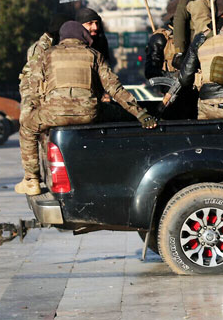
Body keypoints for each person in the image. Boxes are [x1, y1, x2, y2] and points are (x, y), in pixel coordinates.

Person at [22, 22, 156, 193]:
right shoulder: (93, 54)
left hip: (53, 114)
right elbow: (115, 88)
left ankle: (31, 180)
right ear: (83, 36)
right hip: (89, 113)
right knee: (117, 113)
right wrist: (141, 114)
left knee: (27, 127)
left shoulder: (47, 55)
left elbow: (33, 89)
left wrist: (37, 111)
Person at [14, 13, 69, 195]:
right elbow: (36, 81)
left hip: (41, 96)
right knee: (29, 131)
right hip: (34, 97)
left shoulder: (51, 45)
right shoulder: (42, 47)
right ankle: (31, 179)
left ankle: (40, 177)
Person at [145, 0, 180, 81]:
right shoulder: (161, 38)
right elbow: (150, 71)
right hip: (172, 90)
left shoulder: (195, 35)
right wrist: (172, 75)